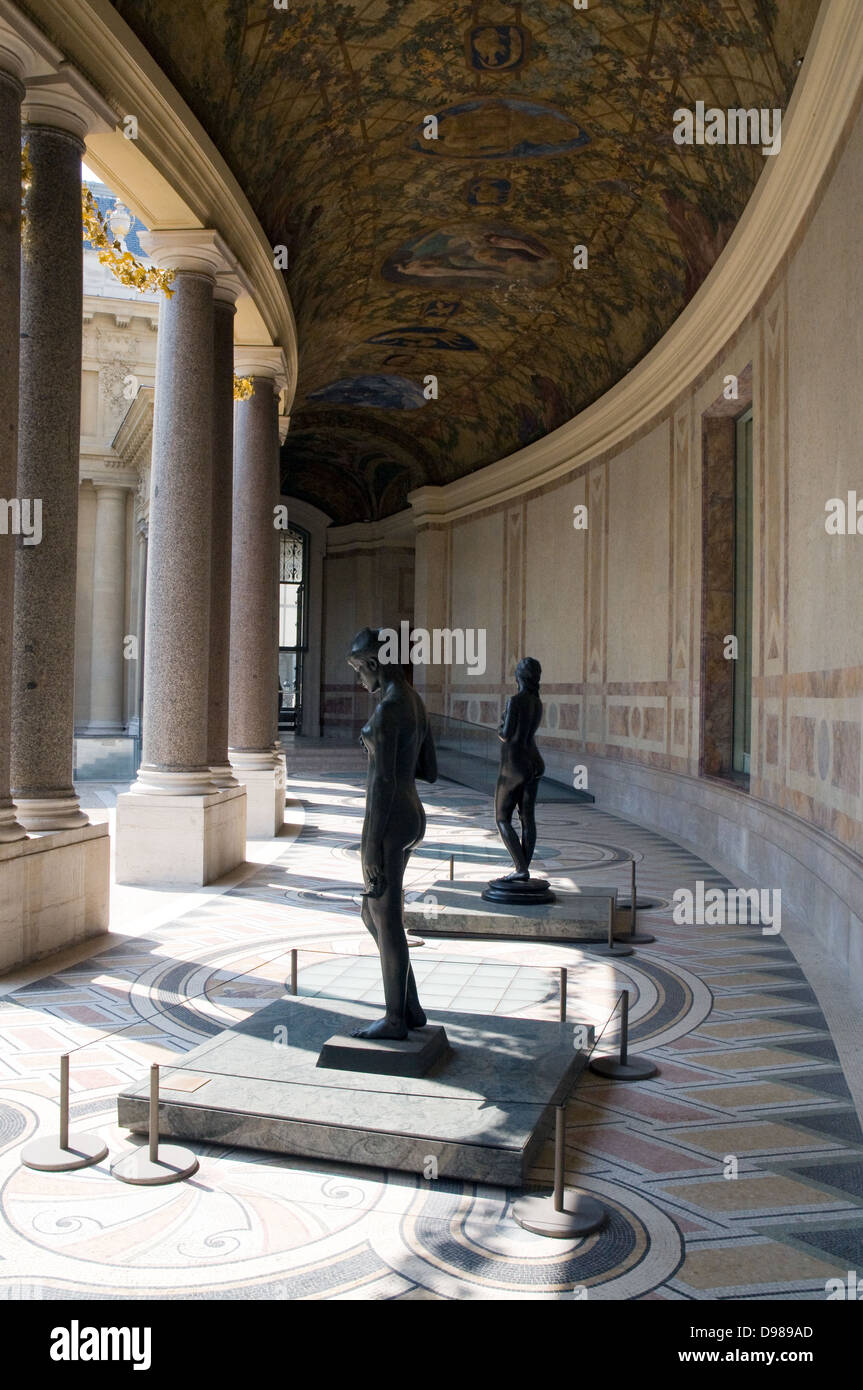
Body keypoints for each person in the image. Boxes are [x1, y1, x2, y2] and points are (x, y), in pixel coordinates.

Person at [347, 627, 437, 1039]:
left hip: (389, 819)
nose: (358, 680)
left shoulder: (386, 712)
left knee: (385, 917)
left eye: (358, 670)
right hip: (412, 812)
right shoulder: (413, 701)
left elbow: (381, 787)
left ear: (373, 664)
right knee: (373, 912)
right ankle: (411, 1008)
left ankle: (395, 1019)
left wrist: (369, 850)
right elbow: (429, 769)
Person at [494, 656, 545, 880]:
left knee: (502, 818)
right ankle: (522, 869)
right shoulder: (537, 702)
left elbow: (505, 734)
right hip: (534, 761)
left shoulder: (515, 701)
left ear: (519, 676)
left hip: (513, 765)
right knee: (527, 819)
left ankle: (521, 868)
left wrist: (501, 722)